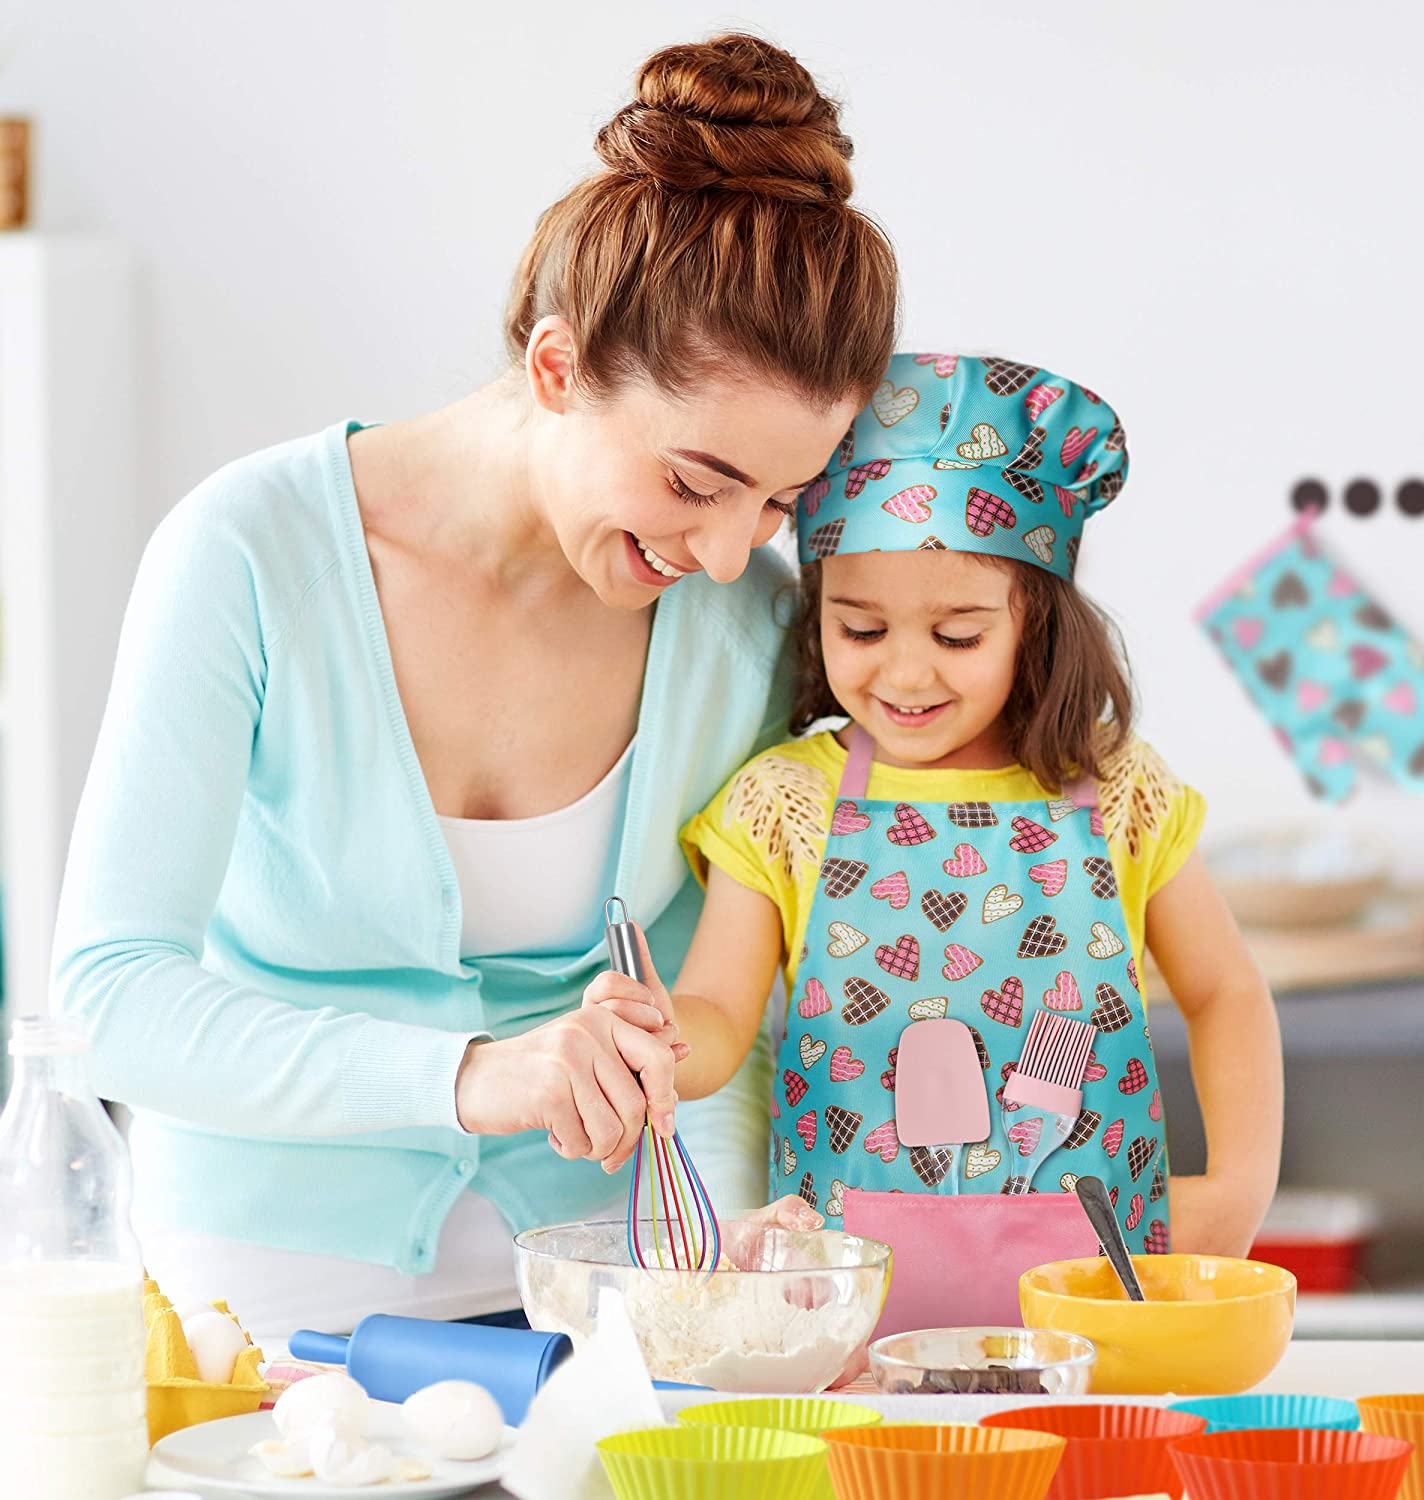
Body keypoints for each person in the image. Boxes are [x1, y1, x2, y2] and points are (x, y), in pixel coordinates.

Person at [50, 33, 899, 1337]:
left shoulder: (747, 620)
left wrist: (723, 1259)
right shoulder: (251, 553)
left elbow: (716, 993)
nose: (729, 551)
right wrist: (470, 1074)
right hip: (269, 1296)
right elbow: (111, 996)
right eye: (694, 480)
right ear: (557, 368)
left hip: (626, 1285)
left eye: (781, 500)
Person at [587, 353, 1284, 1323]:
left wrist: (1243, 1185)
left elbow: (1225, 992)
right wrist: (659, 1039)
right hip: (850, 1316)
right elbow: (716, 1013)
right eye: (860, 630)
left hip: (1102, 1303)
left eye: (957, 636)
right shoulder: (783, 804)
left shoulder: (1122, 790)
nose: (905, 675)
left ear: (1033, 627)